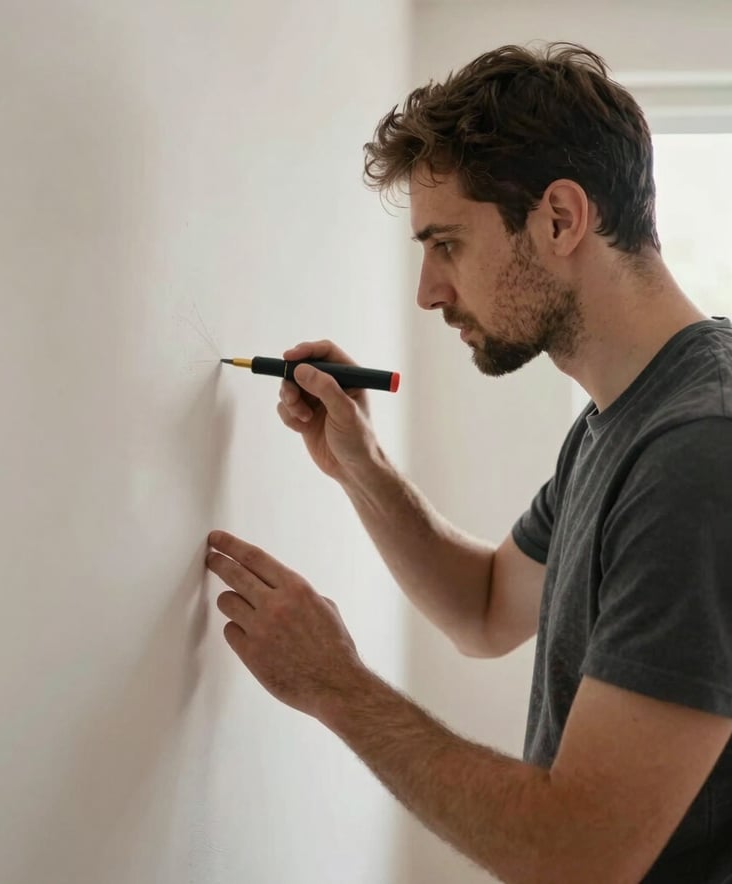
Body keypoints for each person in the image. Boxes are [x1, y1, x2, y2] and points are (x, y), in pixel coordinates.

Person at [205, 42, 732, 882]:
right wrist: (360, 464)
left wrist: (336, 686)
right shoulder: (618, 422)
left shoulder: (698, 453)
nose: (428, 290)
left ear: (560, 218)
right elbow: (485, 609)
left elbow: (583, 855)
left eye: (445, 243)